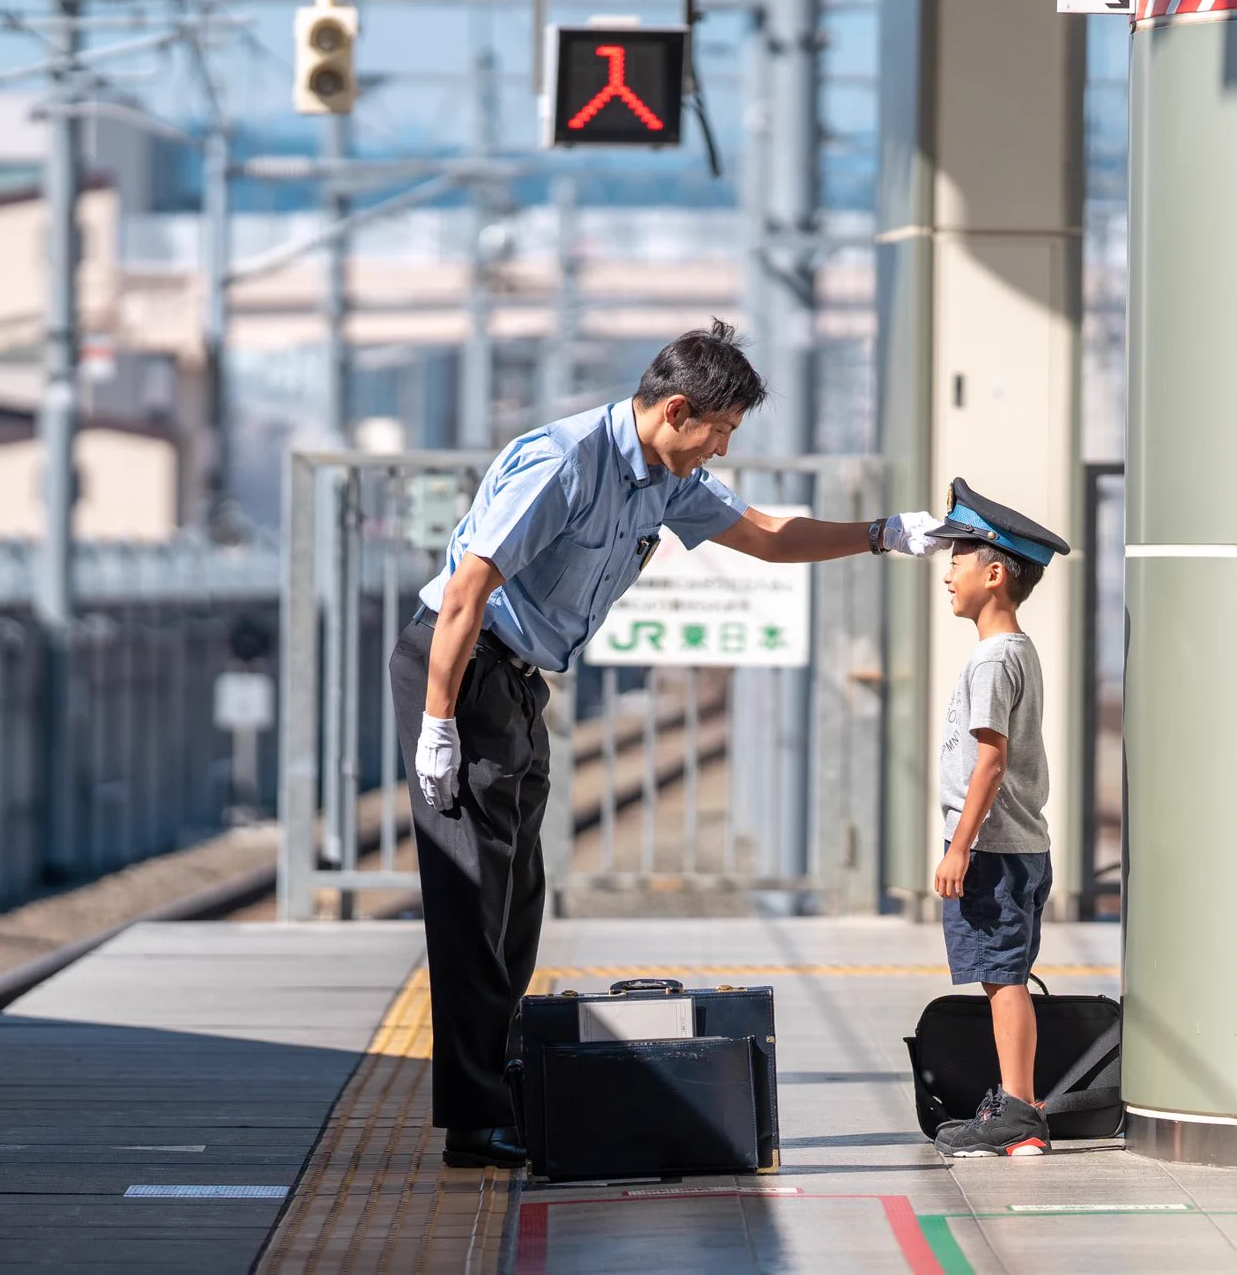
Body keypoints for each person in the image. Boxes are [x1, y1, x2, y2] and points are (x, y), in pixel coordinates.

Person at [388, 319, 947, 1169]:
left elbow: (764, 535)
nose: (719, 450)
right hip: (458, 665)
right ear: (677, 409)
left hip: (515, 682)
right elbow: (468, 589)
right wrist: (437, 724)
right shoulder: (565, 461)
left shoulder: (664, 476)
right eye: (718, 431)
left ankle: (502, 1089)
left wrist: (886, 533)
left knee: (516, 898)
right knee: (471, 899)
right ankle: (474, 1120)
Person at [926, 478, 1070, 1159]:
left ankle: (1018, 1110)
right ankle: (1019, 1109)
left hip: (994, 849)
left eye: (957, 559)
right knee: (1003, 976)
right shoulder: (1016, 652)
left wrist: (959, 849)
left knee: (1004, 982)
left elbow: (989, 763)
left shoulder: (993, 659)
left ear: (993, 573)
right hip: (1016, 847)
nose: (947, 572)